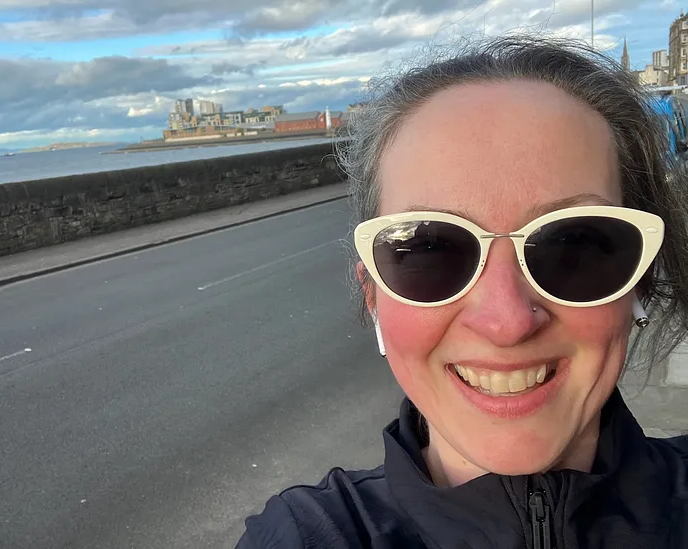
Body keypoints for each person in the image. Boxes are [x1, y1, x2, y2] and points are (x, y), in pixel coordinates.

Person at [236, 34, 688, 548]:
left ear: (640, 281)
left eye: (573, 243)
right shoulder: (306, 538)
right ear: (373, 298)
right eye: (430, 249)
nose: (508, 321)